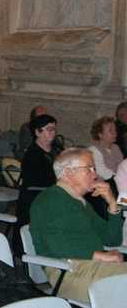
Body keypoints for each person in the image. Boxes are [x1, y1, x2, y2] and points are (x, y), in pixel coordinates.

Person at [30, 148, 127, 304]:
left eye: (94, 168)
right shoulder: (49, 200)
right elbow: (59, 246)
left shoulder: (80, 202)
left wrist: (112, 203)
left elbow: (112, 239)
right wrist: (100, 255)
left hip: (92, 266)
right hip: (68, 272)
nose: (95, 175)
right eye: (88, 169)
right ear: (68, 172)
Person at [16, 114, 60, 248]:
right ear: (37, 132)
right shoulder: (32, 154)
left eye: (54, 129)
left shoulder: (56, 150)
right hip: (36, 197)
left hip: (51, 192)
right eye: (49, 129)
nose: (53, 133)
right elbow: (39, 181)